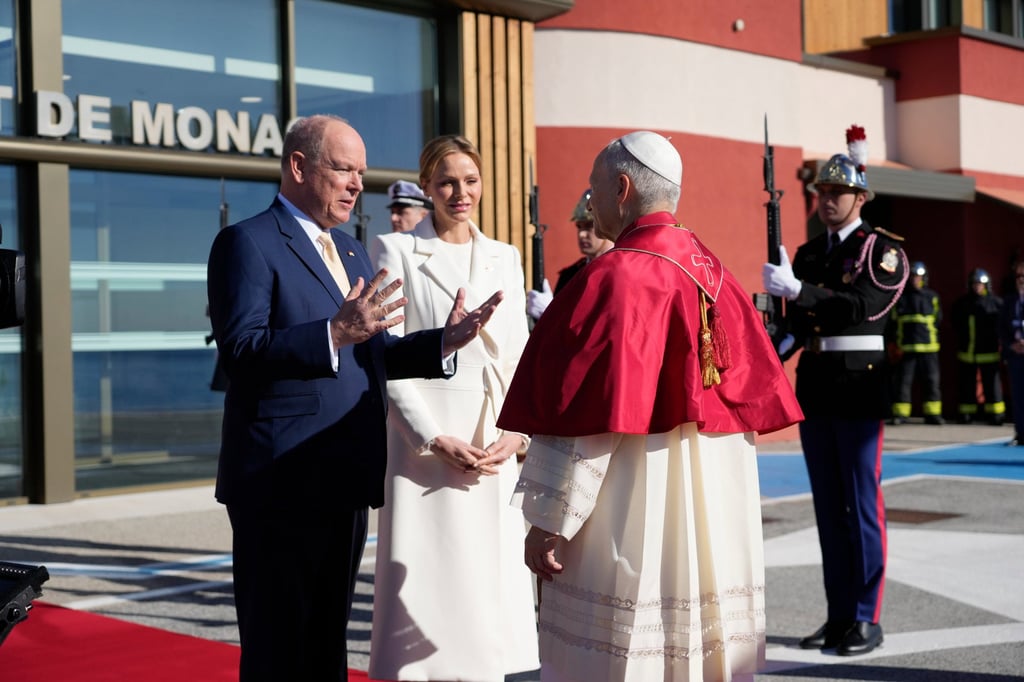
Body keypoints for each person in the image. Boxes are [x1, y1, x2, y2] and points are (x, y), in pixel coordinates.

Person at [206, 115, 502, 682]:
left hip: (343, 476)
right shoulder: (246, 242)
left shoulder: (350, 250)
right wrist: (333, 334)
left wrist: (444, 340)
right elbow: (241, 351)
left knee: (325, 647)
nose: (355, 185)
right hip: (280, 482)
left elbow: (378, 352)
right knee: (278, 649)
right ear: (298, 166)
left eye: (360, 172)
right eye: (343, 169)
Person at [498, 131, 803, 682]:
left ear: (621, 188)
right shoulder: (716, 273)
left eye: (593, 192)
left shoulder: (617, 276)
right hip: (709, 505)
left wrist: (549, 520)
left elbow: (586, 418)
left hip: (633, 500)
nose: (589, 204)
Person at [367, 134, 539, 681]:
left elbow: (517, 354)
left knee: (495, 586)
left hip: (493, 441)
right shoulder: (396, 251)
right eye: (446, 181)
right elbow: (383, 357)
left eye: (469, 180)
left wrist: (518, 432)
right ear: (426, 188)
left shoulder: (505, 257)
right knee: (431, 582)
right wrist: (430, 436)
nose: (459, 192)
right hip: (427, 449)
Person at [762, 125, 908, 657]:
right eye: (821, 193)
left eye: (838, 193)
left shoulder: (882, 252)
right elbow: (797, 328)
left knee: (861, 504)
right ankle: (839, 613)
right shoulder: (805, 254)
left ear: (860, 197)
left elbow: (862, 306)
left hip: (860, 388)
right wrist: (763, 357)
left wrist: (801, 291)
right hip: (818, 388)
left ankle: (867, 617)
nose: (827, 200)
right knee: (828, 507)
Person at [526, 188, 614, 320]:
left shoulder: (618, 271)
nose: (582, 234)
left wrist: (551, 314)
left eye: (589, 225)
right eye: (579, 226)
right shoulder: (570, 275)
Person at [887, 261, 944, 424]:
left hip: (929, 347)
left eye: (918, 277)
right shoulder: (900, 297)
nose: (915, 280)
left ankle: (933, 414)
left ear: (924, 278)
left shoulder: (932, 296)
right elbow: (892, 322)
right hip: (906, 347)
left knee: (932, 381)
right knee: (903, 382)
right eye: (913, 277)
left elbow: (938, 319)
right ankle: (900, 414)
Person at [952, 268, 1005, 425]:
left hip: (989, 352)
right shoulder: (962, 303)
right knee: (966, 385)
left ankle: (996, 415)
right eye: (974, 284)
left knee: (992, 384)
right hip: (967, 352)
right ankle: (966, 414)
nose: (977, 287)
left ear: (987, 285)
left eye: (980, 284)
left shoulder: (996, 303)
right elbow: (955, 323)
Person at [1000, 259, 1024, 446]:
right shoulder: (1009, 302)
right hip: (1016, 356)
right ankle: (1020, 433)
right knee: (1017, 396)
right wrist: (1010, 345)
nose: (1021, 280)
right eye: (1018, 276)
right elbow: (1001, 329)